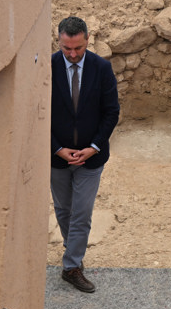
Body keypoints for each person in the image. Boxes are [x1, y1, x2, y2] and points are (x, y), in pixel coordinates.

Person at [50, 16, 120, 294]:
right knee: (63, 209)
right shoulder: (47, 67)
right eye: (67, 48)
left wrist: (94, 147)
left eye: (77, 48)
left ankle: (72, 266)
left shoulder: (101, 68)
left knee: (81, 212)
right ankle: (74, 249)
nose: (73, 54)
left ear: (87, 40)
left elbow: (111, 112)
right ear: (59, 42)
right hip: (56, 157)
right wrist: (57, 148)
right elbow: (36, 111)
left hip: (92, 158)